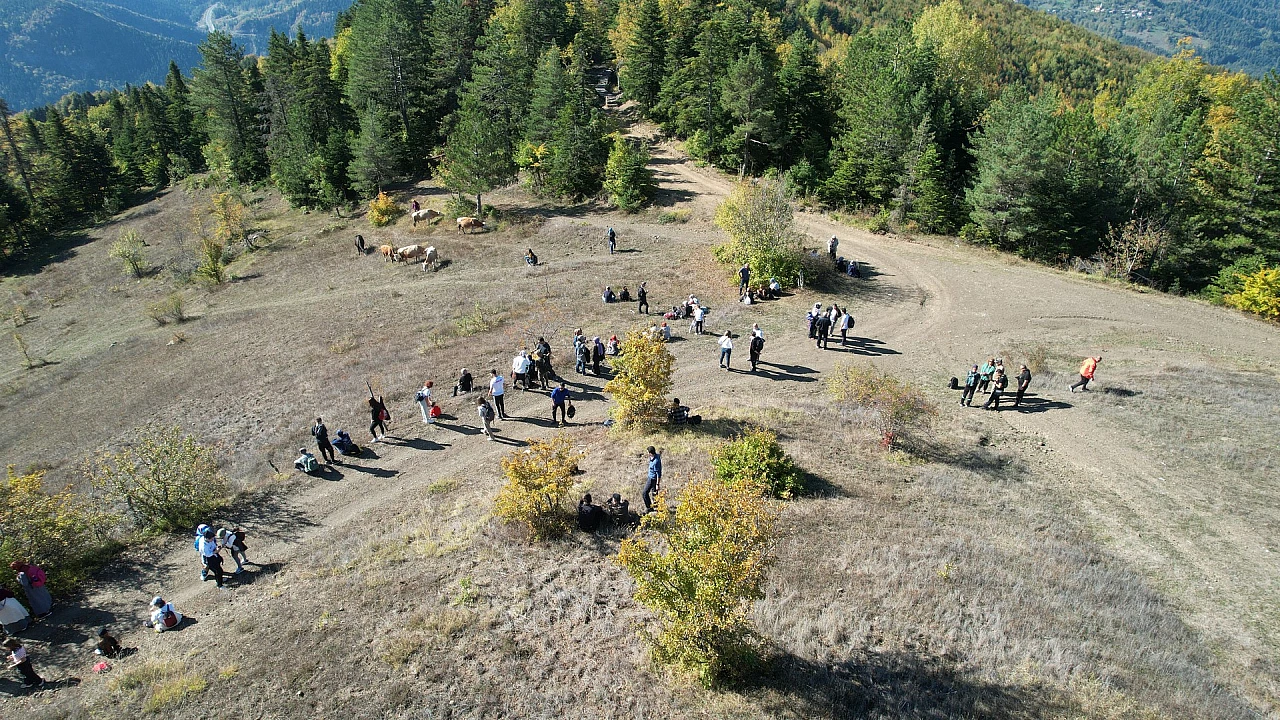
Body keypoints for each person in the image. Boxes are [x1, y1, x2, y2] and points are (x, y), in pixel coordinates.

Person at [642, 446, 662, 512]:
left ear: (650, 453)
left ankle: (651, 508)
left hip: (653, 479)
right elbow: (659, 454)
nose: (647, 453)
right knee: (654, 494)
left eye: (648, 452)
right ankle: (654, 508)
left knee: (645, 493)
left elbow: (658, 473)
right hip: (650, 477)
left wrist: (657, 484)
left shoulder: (656, 462)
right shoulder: (654, 457)